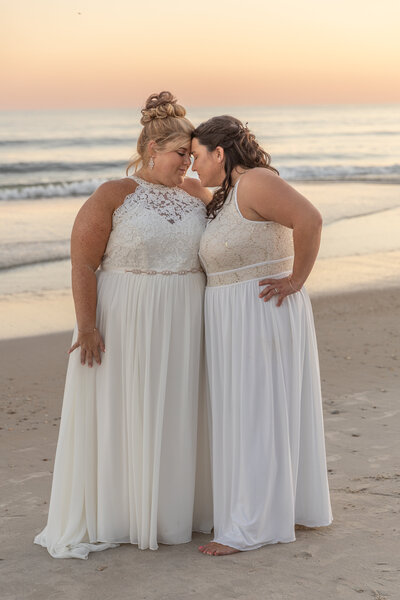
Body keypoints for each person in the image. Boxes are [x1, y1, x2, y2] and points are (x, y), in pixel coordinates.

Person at [34, 91, 213, 559]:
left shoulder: (197, 195)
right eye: (181, 155)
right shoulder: (114, 194)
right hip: (123, 317)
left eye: (192, 157)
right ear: (153, 149)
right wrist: (87, 327)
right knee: (122, 408)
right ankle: (121, 513)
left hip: (184, 319)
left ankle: (174, 512)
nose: (188, 166)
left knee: (177, 408)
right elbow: (81, 265)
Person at [191, 115, 333, 556]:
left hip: (260, 312)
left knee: (255, 412)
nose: (194, 167)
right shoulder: (228, 193)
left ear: (220, 153)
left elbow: (310, 219)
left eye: (197, 157)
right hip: (234, 316)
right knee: (249, 412)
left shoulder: (254, 181)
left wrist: (295, 280)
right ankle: (267, 507)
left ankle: (251, 526)